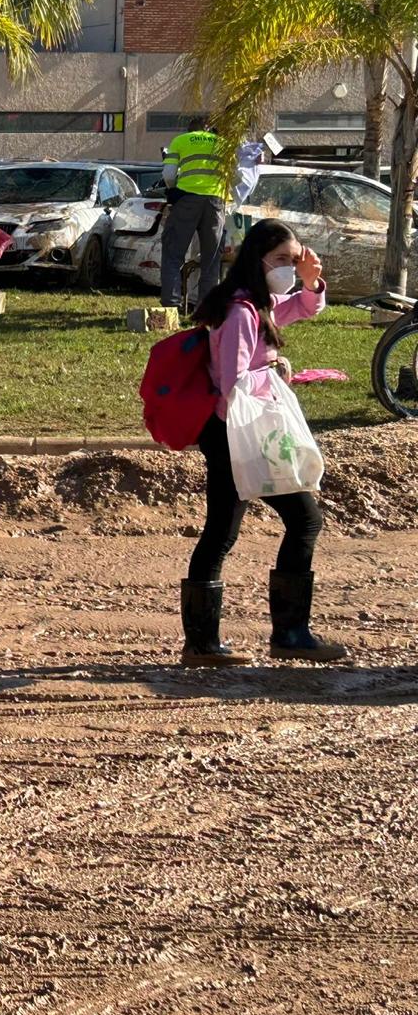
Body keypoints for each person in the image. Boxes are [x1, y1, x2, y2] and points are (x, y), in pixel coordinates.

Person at [180, 218, 346, 667]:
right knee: (296, 521)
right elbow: (233, 382)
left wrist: (312, 282)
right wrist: (273, 373)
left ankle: (207, 644)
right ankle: (282, 636)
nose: (288, 269)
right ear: (258, 260)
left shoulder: (260, 304)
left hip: (245, 430)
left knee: (225, 531)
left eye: (292, 261)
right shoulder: (241, 312)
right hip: (235, 431)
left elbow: (306, 309)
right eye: (281, 261)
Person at [161, 118, 228, 308]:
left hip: (187, 200)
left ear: (190, 130)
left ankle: (171, 306)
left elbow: (168, 175)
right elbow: (238, 175)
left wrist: (173, 190)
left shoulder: (181, 141)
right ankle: (205, 310)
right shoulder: (224, 144)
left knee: (173, 254)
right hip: (216, 201)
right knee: (211, 258)